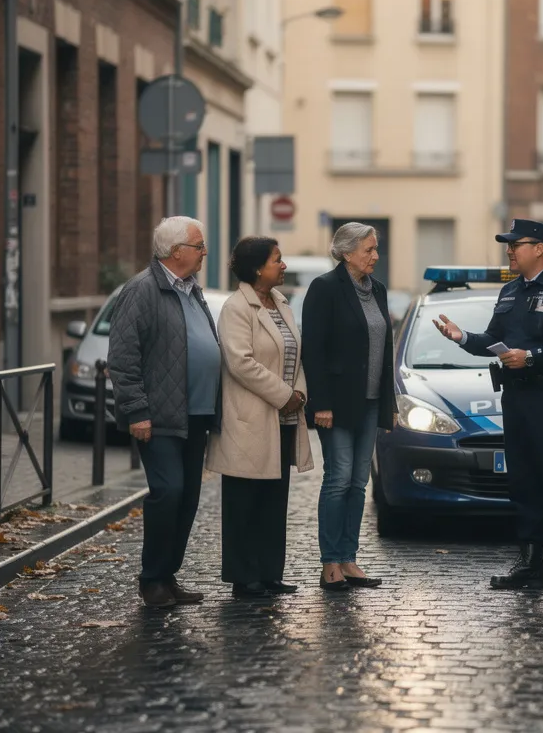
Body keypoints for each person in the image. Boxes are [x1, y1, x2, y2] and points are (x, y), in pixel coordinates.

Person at [432, 218, 543, 597]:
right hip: (517, 398)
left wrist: (532, 357)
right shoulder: (509, 291)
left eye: (515, 244)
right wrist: (462, 337)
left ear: (538, 248)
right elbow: (493, 338)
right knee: (523, 483)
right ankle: (531, 566)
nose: (509, 251)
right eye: (508, 245)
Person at [108, 216, 221, 609]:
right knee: (168, 491)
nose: (204, 252)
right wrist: (137, 411)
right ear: (176, 252)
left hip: (197, 413)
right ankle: (152, 579)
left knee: (187, 497)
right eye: (199, 246)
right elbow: (123, 357)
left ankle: (168, 576)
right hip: (158, 416)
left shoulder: (192, 289)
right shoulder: (142, 290)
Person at [205, 237, 314, 598]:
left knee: (273, 501)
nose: (283, 265)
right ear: (256, 268)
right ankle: (244, 576)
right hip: (249, 421)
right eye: (276, 260)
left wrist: (299, 394)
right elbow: (240, 363)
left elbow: (295, 354)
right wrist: (284, 395)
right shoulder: (237, 308)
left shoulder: (281, 303)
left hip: (283, 420)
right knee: (244, 502)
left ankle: (269, 573)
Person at [301, 223, 396, 591]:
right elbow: (314, 349)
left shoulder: (379, 290)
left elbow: (384, 350)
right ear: (346, 252)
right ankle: (330, 563)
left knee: (359, 482)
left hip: (371, 402)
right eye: (368, 249)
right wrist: (321, 403)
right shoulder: (325, 288)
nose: (375, 256)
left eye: (375, 249)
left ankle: (348, 558)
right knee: (338, 479)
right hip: (337, 404)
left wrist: (388, 402)